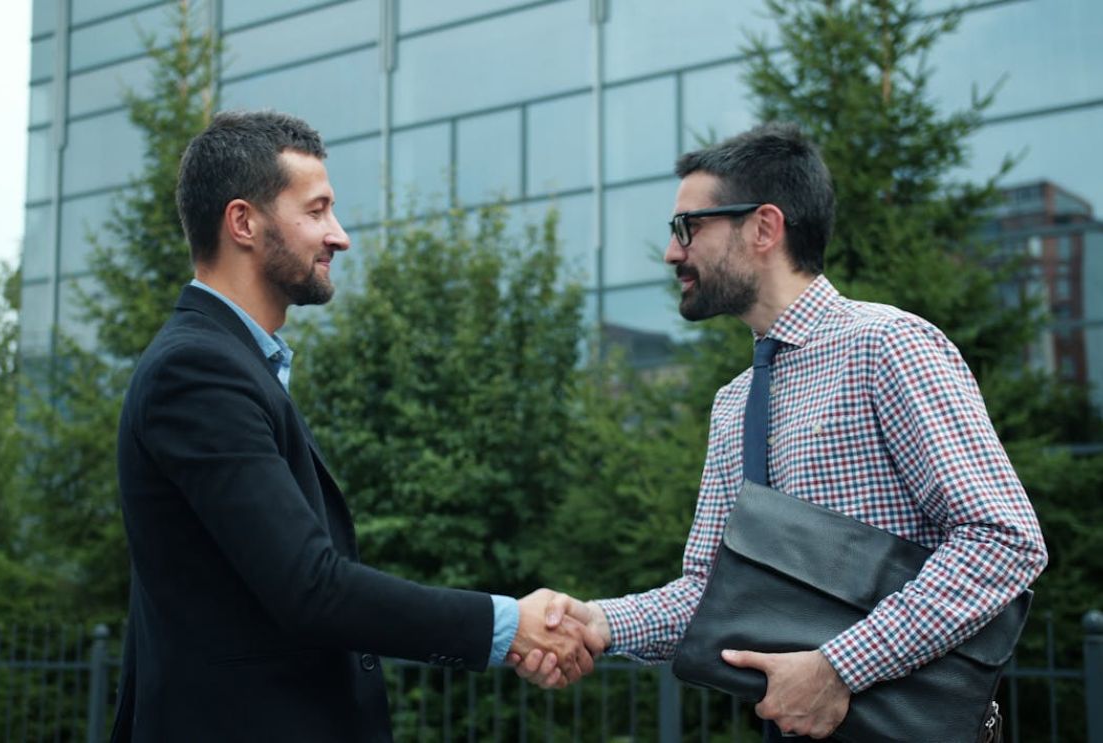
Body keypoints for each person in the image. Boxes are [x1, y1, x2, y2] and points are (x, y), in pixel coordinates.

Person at [512, 122, 1047, 740]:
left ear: (764, 228)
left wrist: (838, 669)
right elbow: (715, 594)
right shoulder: (735, 402)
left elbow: (1003, 540)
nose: (672, 252)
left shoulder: (889, 346)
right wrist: (598, 624)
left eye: (689, 227)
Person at [110, 110, 601, 743]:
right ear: (243, 222)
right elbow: (310, 588)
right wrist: (507, 627)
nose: (338, 236)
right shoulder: (198, 370)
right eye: (316, 211)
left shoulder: (231, 363)